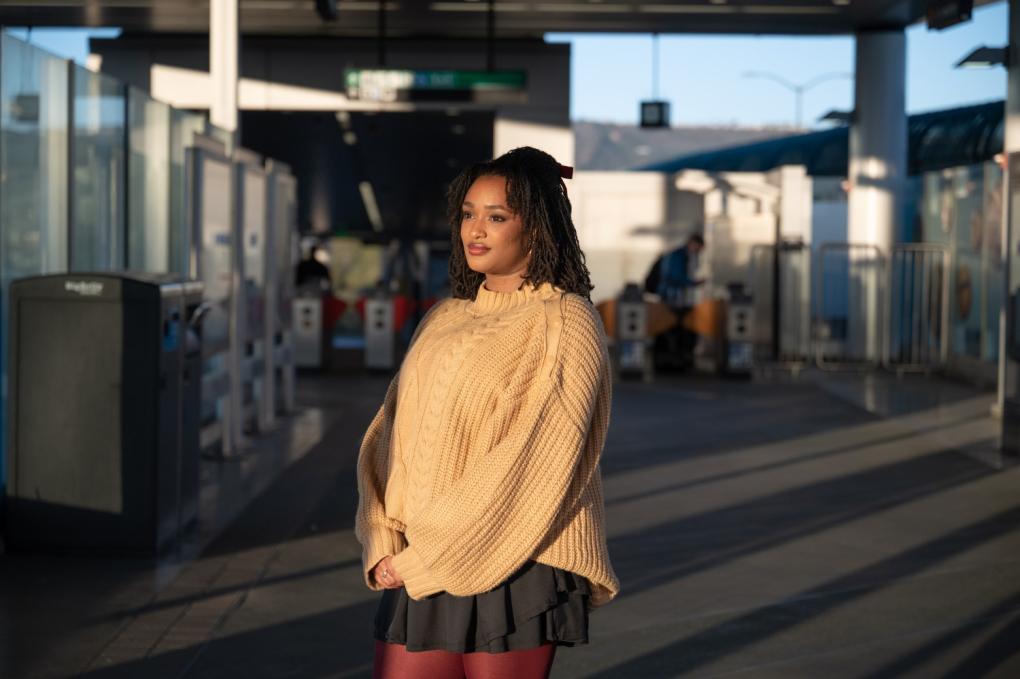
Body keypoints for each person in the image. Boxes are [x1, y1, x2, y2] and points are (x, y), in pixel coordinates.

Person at [355, 147, 620, 679]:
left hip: (514, 562)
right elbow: (389, 437)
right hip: (418, 561)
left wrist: (422, 560)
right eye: (468, 213)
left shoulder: (565, 322)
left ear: (537, 227)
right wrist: (382, 539)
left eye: (496, 217)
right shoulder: (445, 316)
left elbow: (534, 465)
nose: (475, 229)